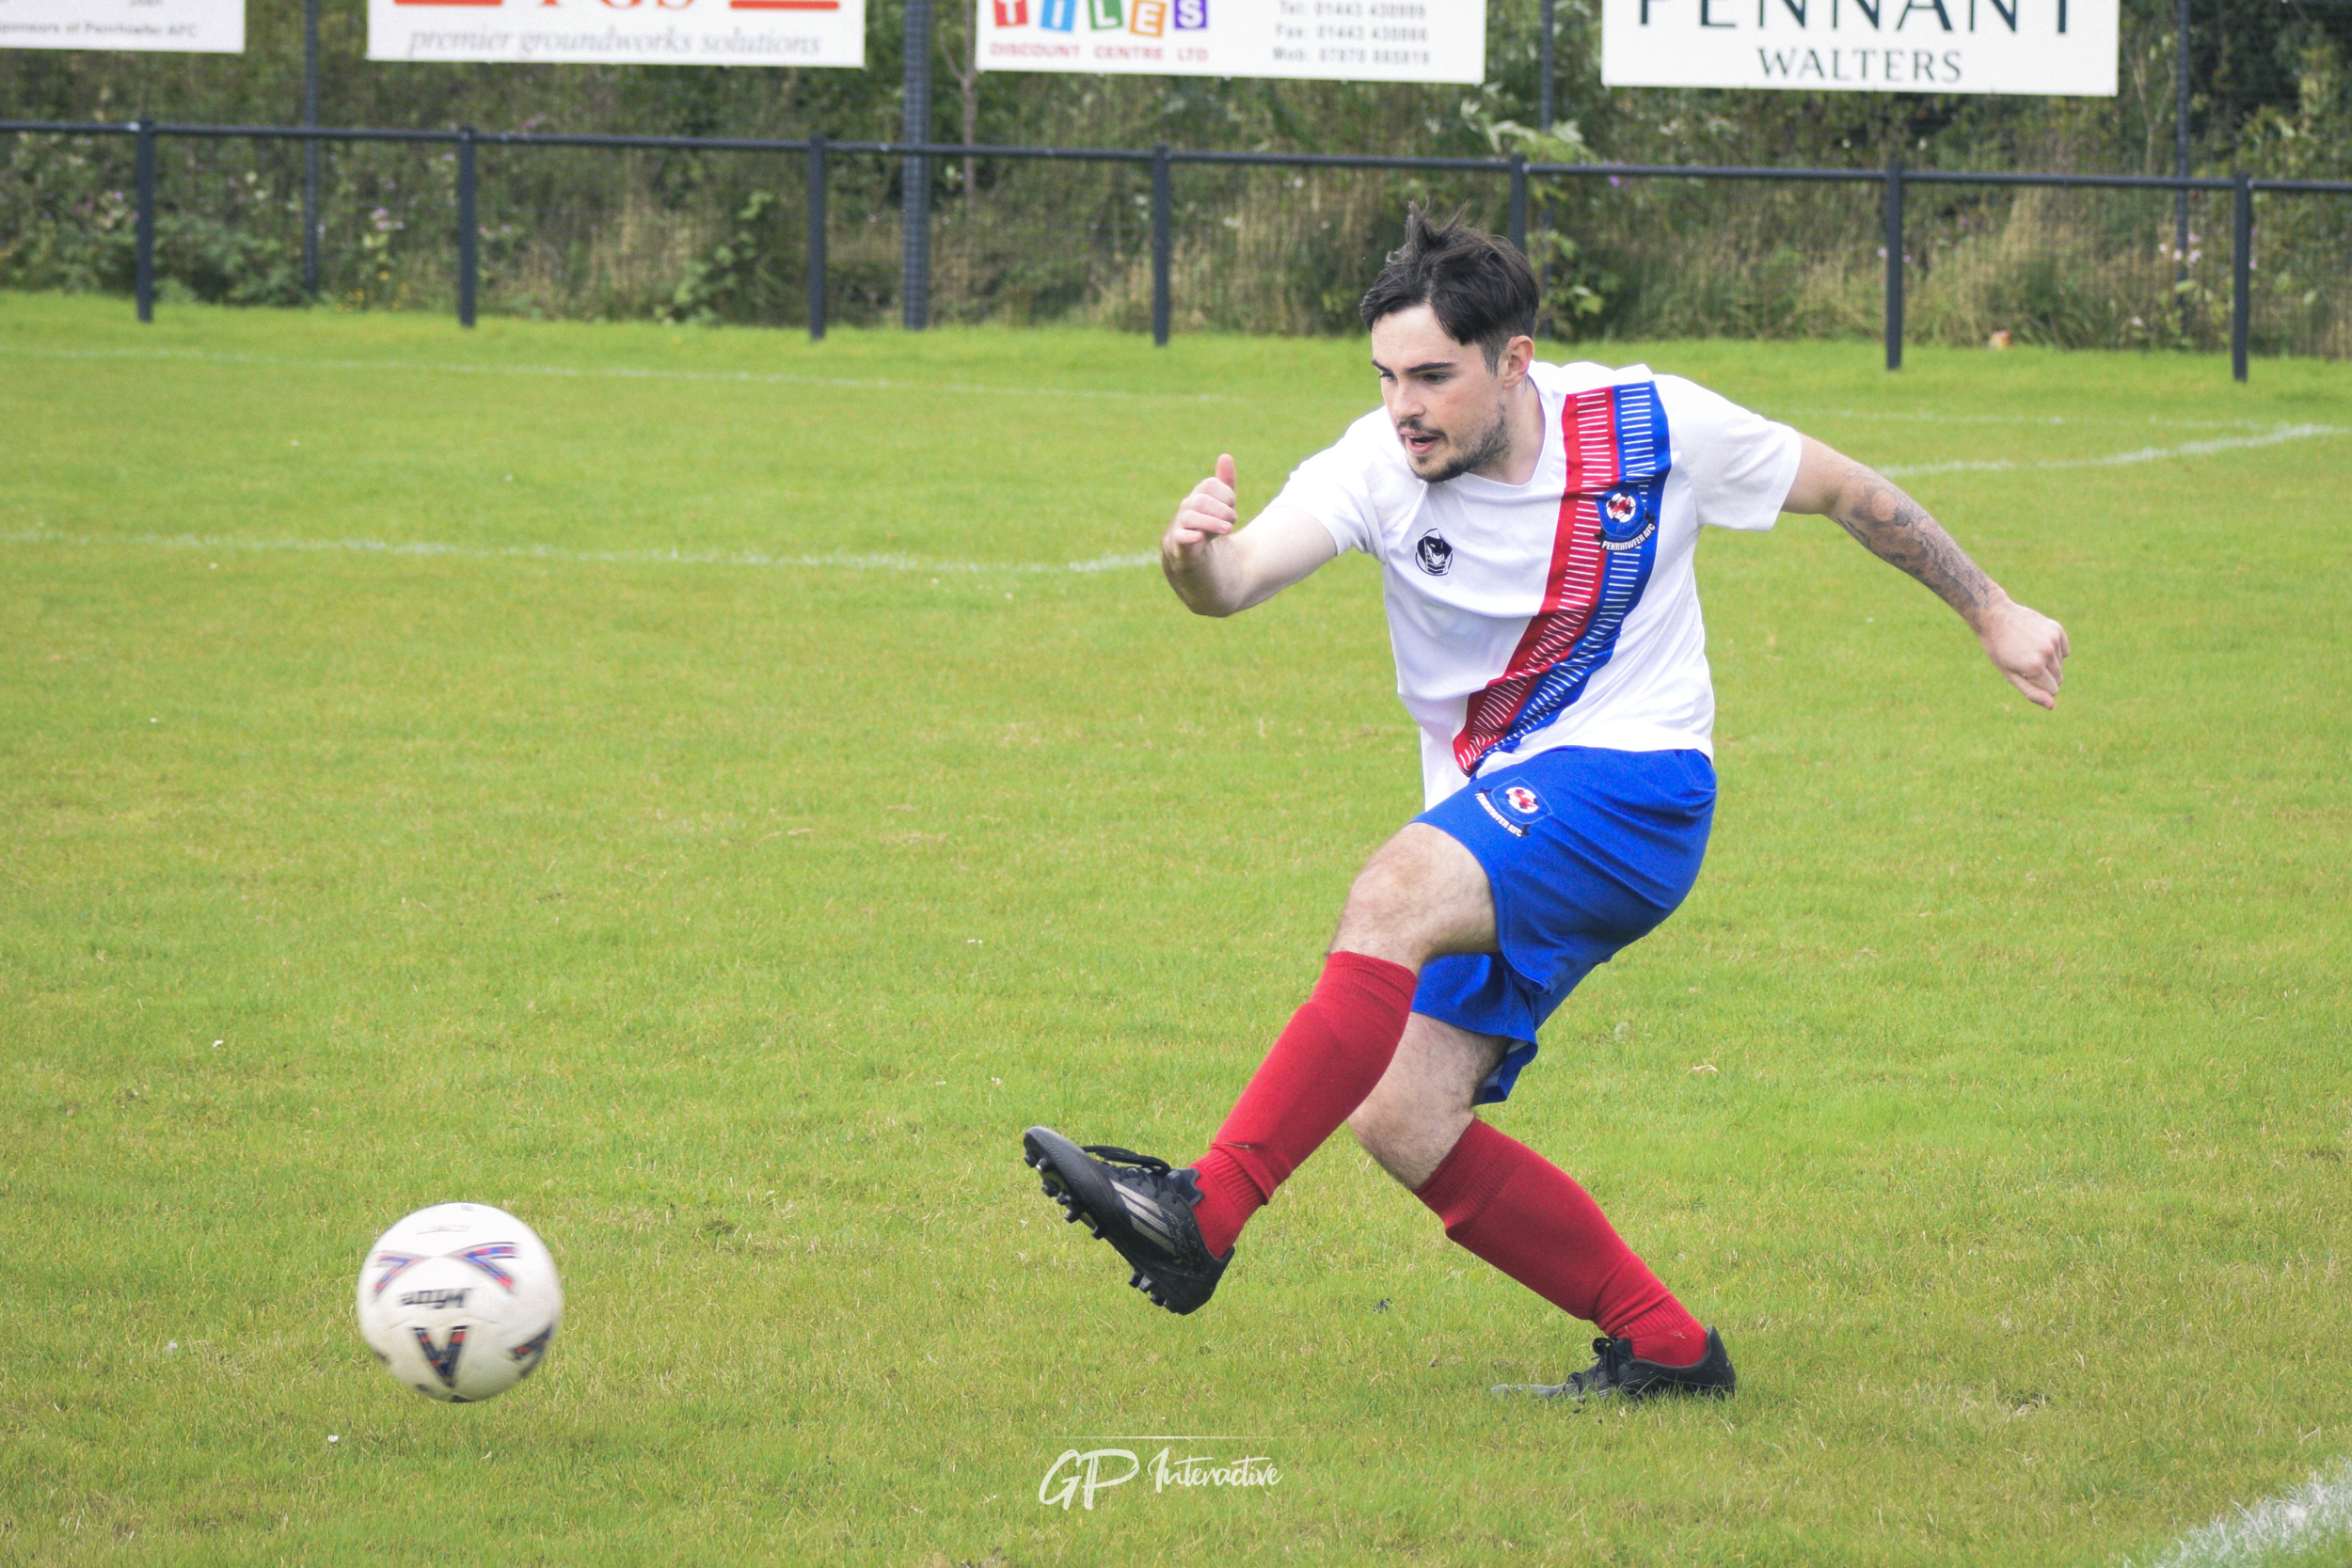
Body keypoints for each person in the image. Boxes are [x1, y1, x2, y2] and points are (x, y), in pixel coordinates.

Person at [1021, 208, 2069, 1402]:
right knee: (1402, 1115)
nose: (1402, 406)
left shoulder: (1646, 422)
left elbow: (1844, 488)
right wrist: (1188, 560)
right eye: (1383, 377)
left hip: (1638, 784)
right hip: (1503, 808)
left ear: (1513, 361)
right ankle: (1666, 1346)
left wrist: (1992, 610)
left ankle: (1203, 1211)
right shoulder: (1375, 465)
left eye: (1431, 376)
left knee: (1393, 891)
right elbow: (1237, 580)